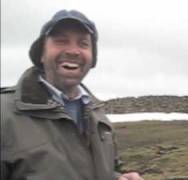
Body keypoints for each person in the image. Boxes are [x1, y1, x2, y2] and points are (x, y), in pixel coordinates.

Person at [1, 9, 143, 180]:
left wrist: (118, 177)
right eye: (61, 41)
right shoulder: (5, 114)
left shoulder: (99, 118)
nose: (73, 51)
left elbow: (102, 170)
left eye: (83, 44)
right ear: (41, 54)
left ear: (92, 58)